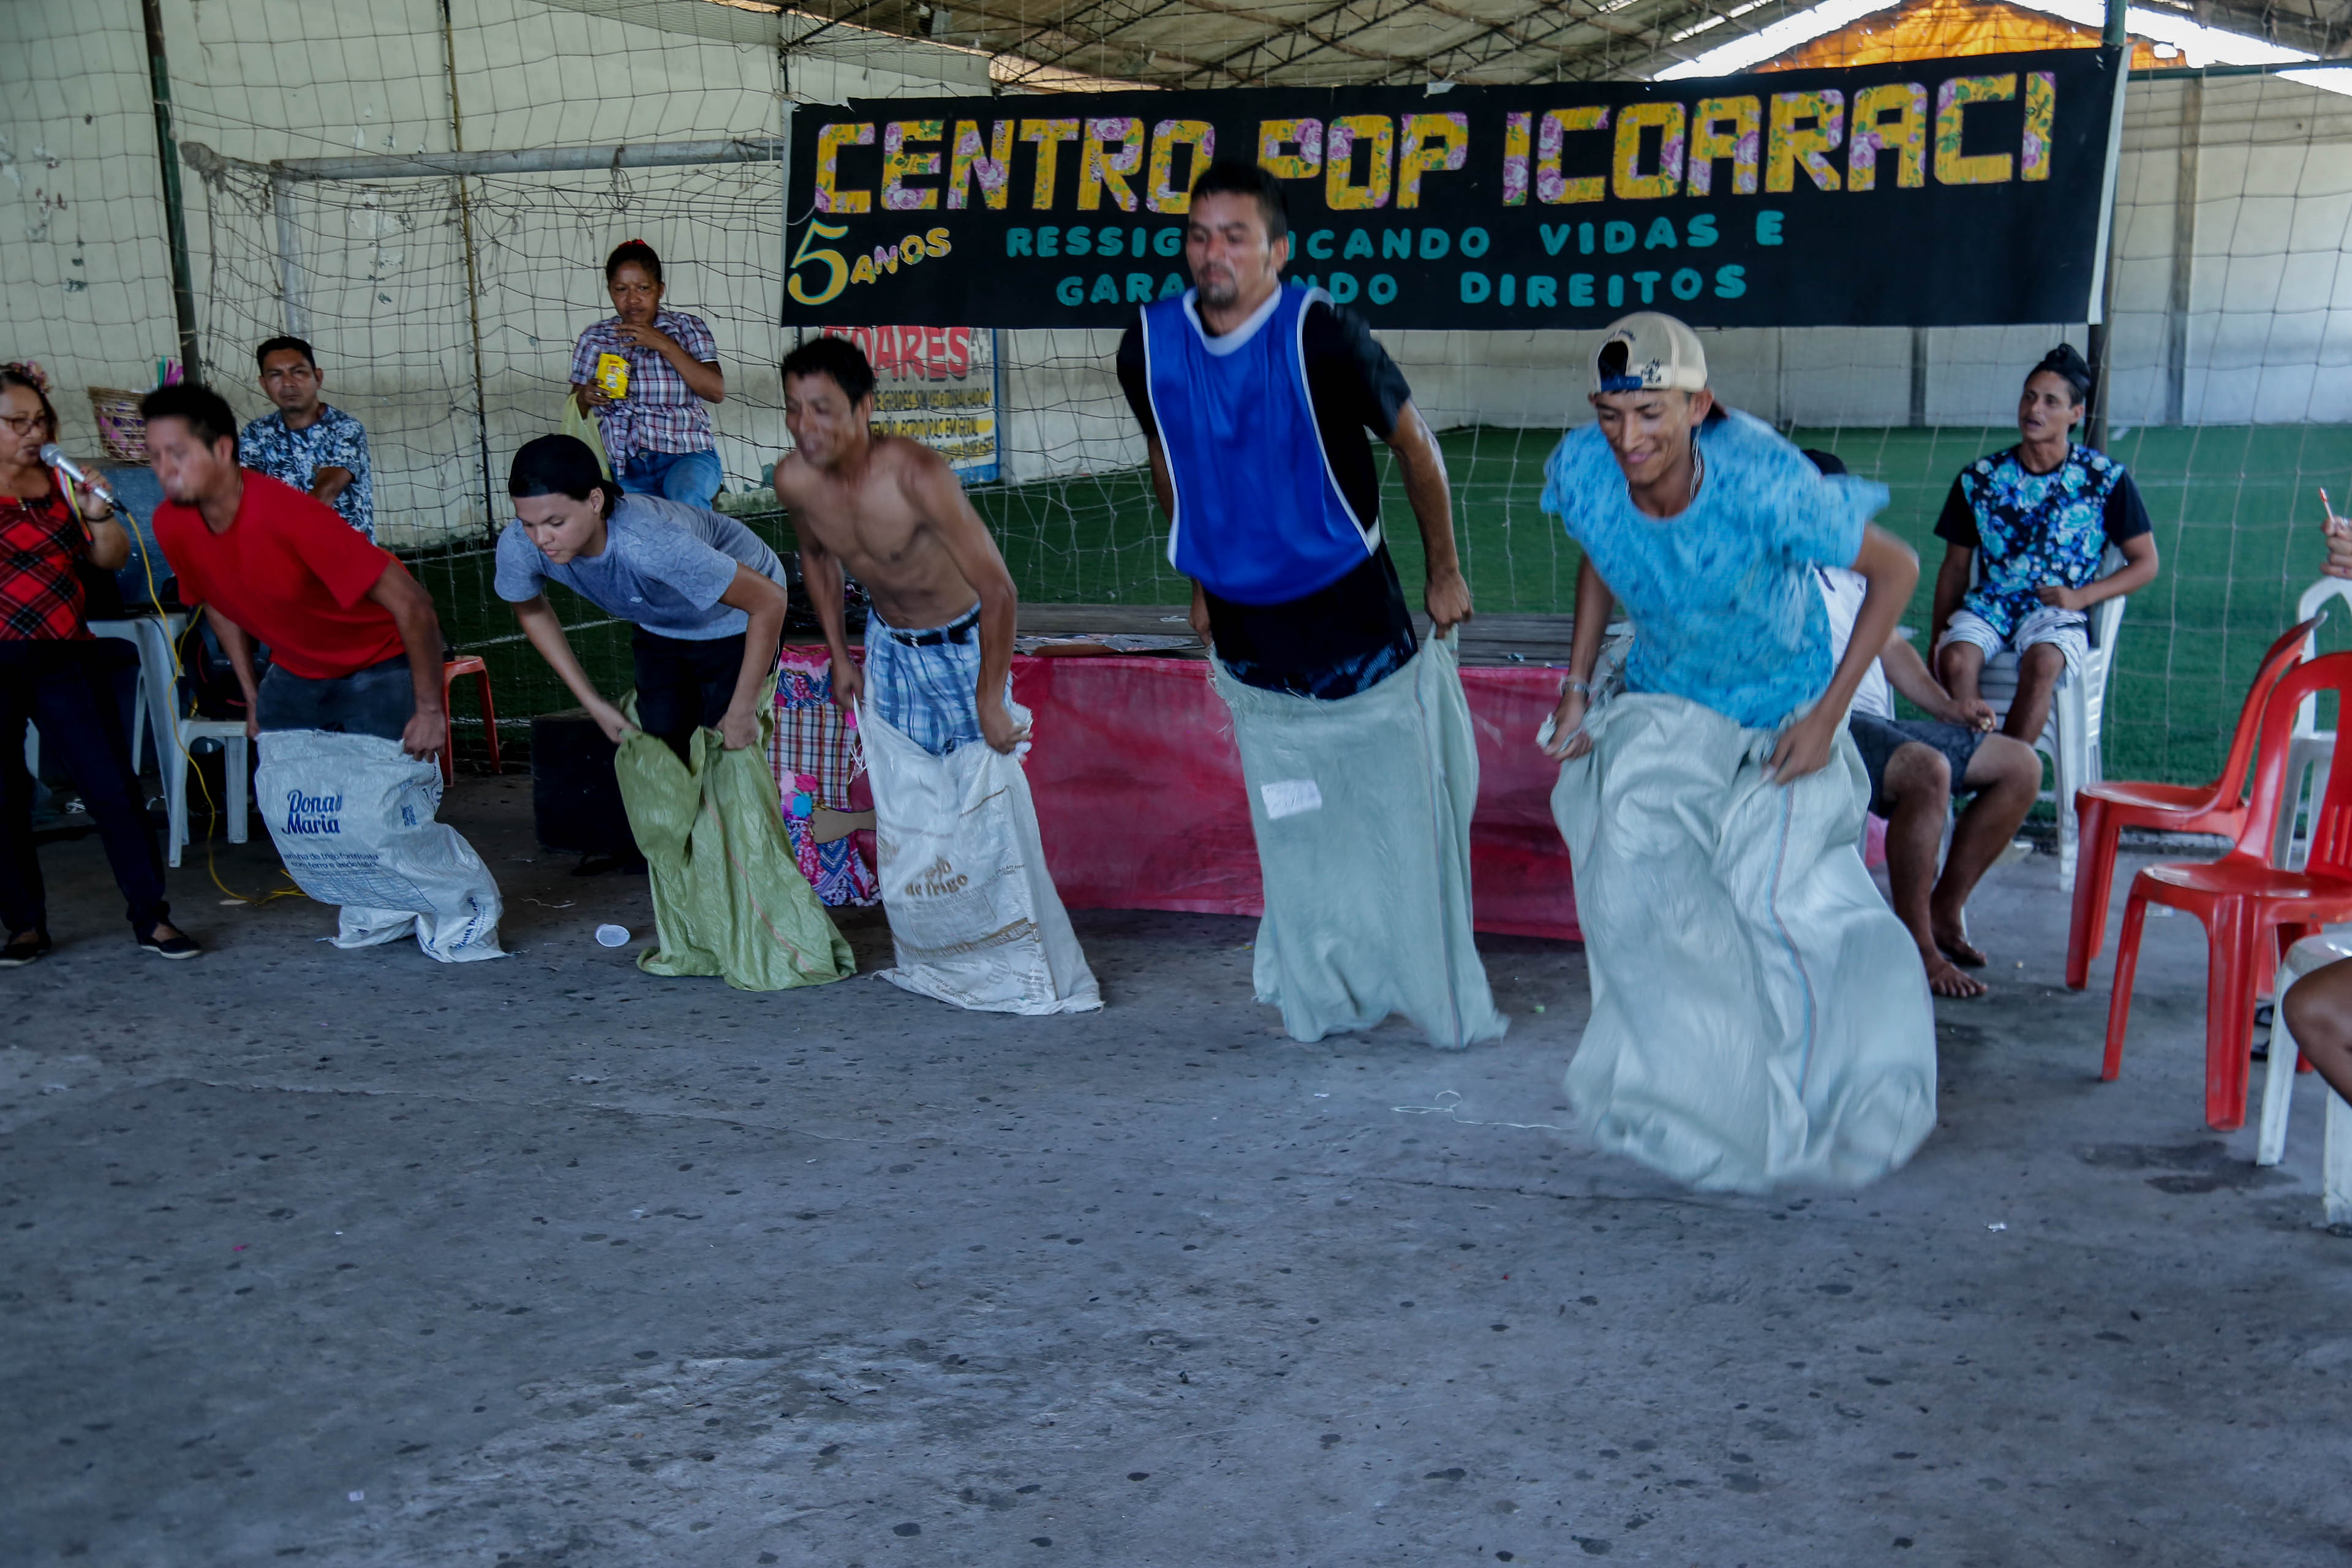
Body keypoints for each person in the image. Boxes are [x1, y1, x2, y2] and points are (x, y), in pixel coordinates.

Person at [1539, 313, 1936, 1193]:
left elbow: (1898, 570)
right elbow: (1602, 552)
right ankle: (1692, 1097)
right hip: (1667, 700)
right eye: (1611, 413)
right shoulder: (1586, 468)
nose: (1628, 437)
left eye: (1651, 414)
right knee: (1623, 887)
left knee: (1775, 906)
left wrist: (1830, 716)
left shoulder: (1766, 482)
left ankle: (1843, 1089)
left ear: (1697, 404)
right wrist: (1575, 684)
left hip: (1780, 711)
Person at [1114, 157, 1502, 1049]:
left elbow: (1419, 451)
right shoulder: (1148, 343)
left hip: (1353, 617)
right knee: (1293, 812)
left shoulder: (1323, 335)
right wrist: (1201, 583)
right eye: (1199, 235)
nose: (1214, 253)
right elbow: (1170, 455)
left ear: (1278, 253)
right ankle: (1321, 975)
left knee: (1390, 810)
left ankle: (1426, 977)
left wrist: (1444, 572)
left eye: (1236, 236)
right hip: (1250, 633)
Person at [1806, 452, 2041, 1000]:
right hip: (1819, 720)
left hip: (1872, 722)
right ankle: (1916, 946)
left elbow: (1891, 648)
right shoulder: (1769, 565)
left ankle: (1944, 909)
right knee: (1927, 772)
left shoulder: (1855, 567)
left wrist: (1946, 708)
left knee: (2019, 765)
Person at [0, 363, 195, 963]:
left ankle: (152, 917)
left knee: (112, 789)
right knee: (4, 798)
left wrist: (98, 511)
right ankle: (25, 925)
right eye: (16, 423)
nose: (33, 433)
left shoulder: (61, 481)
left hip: (65, 657)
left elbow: (109, 561)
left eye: (40, 420)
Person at [143, 384, 447, 761]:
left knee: (379, 799)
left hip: (378, 659)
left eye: (178, 454)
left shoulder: (292, 517)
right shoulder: (170, 523)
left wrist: (430, 712)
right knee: (292, 796)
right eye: (154, 456)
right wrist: (253, 698)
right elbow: (215, 602)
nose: (163, 469)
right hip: (296, 669)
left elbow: (415, 605)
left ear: (222, 450)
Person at [775, 335, 1024, 758]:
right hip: (888, 645)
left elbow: (999, 589)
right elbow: (816, 558)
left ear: (864, 407)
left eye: (822, 409)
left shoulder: (917, 476)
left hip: (962, 648)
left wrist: (990, 699)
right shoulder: (795, 481)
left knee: (985, 800)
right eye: (794, 408)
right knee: (906, 798)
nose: (804, 425)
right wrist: (839, 655)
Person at [497, 435, 791, 757]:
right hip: (660, 620)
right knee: (662, 747)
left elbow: (768, 601)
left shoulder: (648, 546)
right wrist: (593, 703)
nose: (541, 538)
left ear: (595, 501)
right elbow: (531, 610)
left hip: (735, 616)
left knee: (732, 744)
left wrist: (744, 709)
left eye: (556, 522)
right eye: (528, 523)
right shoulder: (520, 545)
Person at [1931, 344, 2159, 745]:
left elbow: (2146, 563)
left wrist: (2081, 596)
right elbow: (1954, 567)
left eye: (2051, 401)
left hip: (2056, 611)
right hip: (1992, 606)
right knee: (1955, 658)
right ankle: (1972, 765)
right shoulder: (1979, 478)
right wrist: (1938, 637)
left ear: (2075, 414)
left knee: (2045, 661)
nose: (2034, 409)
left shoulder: (2104, 479)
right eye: (2029, 397)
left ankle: (2008, 778)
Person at [570, 240, 725, 509]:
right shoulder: (596, 338)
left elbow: (715, 391)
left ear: (660, 290)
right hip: (622, 465)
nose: (633, 299)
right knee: (631, 522)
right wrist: (586, 396)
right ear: (610, 292)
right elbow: (575, 407)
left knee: (686, 499)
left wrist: (663, 344)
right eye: (622, 290)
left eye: (643, 288)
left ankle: (706, 550)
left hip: (685, 455)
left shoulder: (686, 328)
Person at [239, 335, 375, 540]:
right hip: (283, 558)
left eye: (298, 372)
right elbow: (244, 493)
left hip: (345, 559)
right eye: (276, 375)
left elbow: (325, 493)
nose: (287, 383)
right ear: (264, 384)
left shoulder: (345, 429)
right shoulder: (256, 433)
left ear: (318, 378)